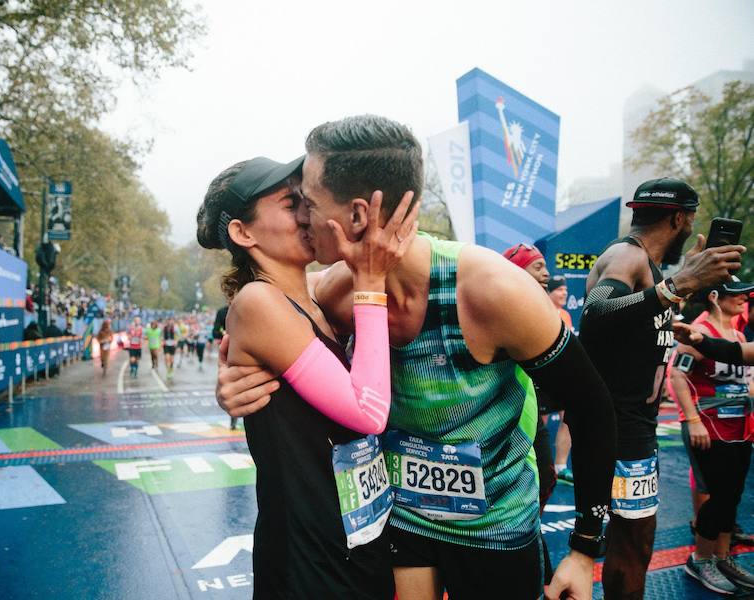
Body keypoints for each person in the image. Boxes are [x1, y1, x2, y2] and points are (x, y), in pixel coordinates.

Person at [217, 115, 618, 600]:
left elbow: (592, 406)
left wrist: (582, 550)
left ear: (358, 216)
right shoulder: (338, 294)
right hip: (400, 527)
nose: (303, 215)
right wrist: (233, 378)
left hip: (495, 529)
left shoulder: (492, 291)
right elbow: (278, 330)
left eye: (310, 202)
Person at [197, 153, 419, 599]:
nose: (307, 214)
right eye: (289, 203)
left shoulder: (315, 300)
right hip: (308, 557)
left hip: (358, 536)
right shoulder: (258, 301)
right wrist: (370, 282)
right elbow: (368, 411)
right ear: (243, 233)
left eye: (307, 200)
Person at [579, 177, 745, 599]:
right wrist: (677, 286)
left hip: (631, 427)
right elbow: (597, 313)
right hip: (619, 431)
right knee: (633, 544)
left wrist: (674, 318)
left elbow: (628, 323)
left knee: (633, 541)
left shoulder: (646, 269)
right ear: (679, 218)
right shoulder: (625, 255)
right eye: (690, 221)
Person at [669, 279, 754, 594]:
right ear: (716, 297)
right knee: (716, 497)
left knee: (732, 497)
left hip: (739, 428)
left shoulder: (738, 334)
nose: (745, 298)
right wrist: (692, 420)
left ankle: (721, 557)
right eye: (738, 293)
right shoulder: (699, 329)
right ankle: (701, 560)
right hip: (708, 425)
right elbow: (678, 375)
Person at [502, 242, 558, 584]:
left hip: (534, 423)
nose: (547, 273)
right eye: (537, 266)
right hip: (504, 431)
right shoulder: (497, 312)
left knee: (546, 480)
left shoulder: (550, 316)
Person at [547, 275, 575, 485]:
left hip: (564, 374)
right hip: (542, 376)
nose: (564, 293)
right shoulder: (540, 310)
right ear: (549, 292)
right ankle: (540, 465)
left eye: (565, 290)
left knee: (568, 419)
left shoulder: (565, 314)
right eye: (559, 290)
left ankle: (561, 466)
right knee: (540, 423)